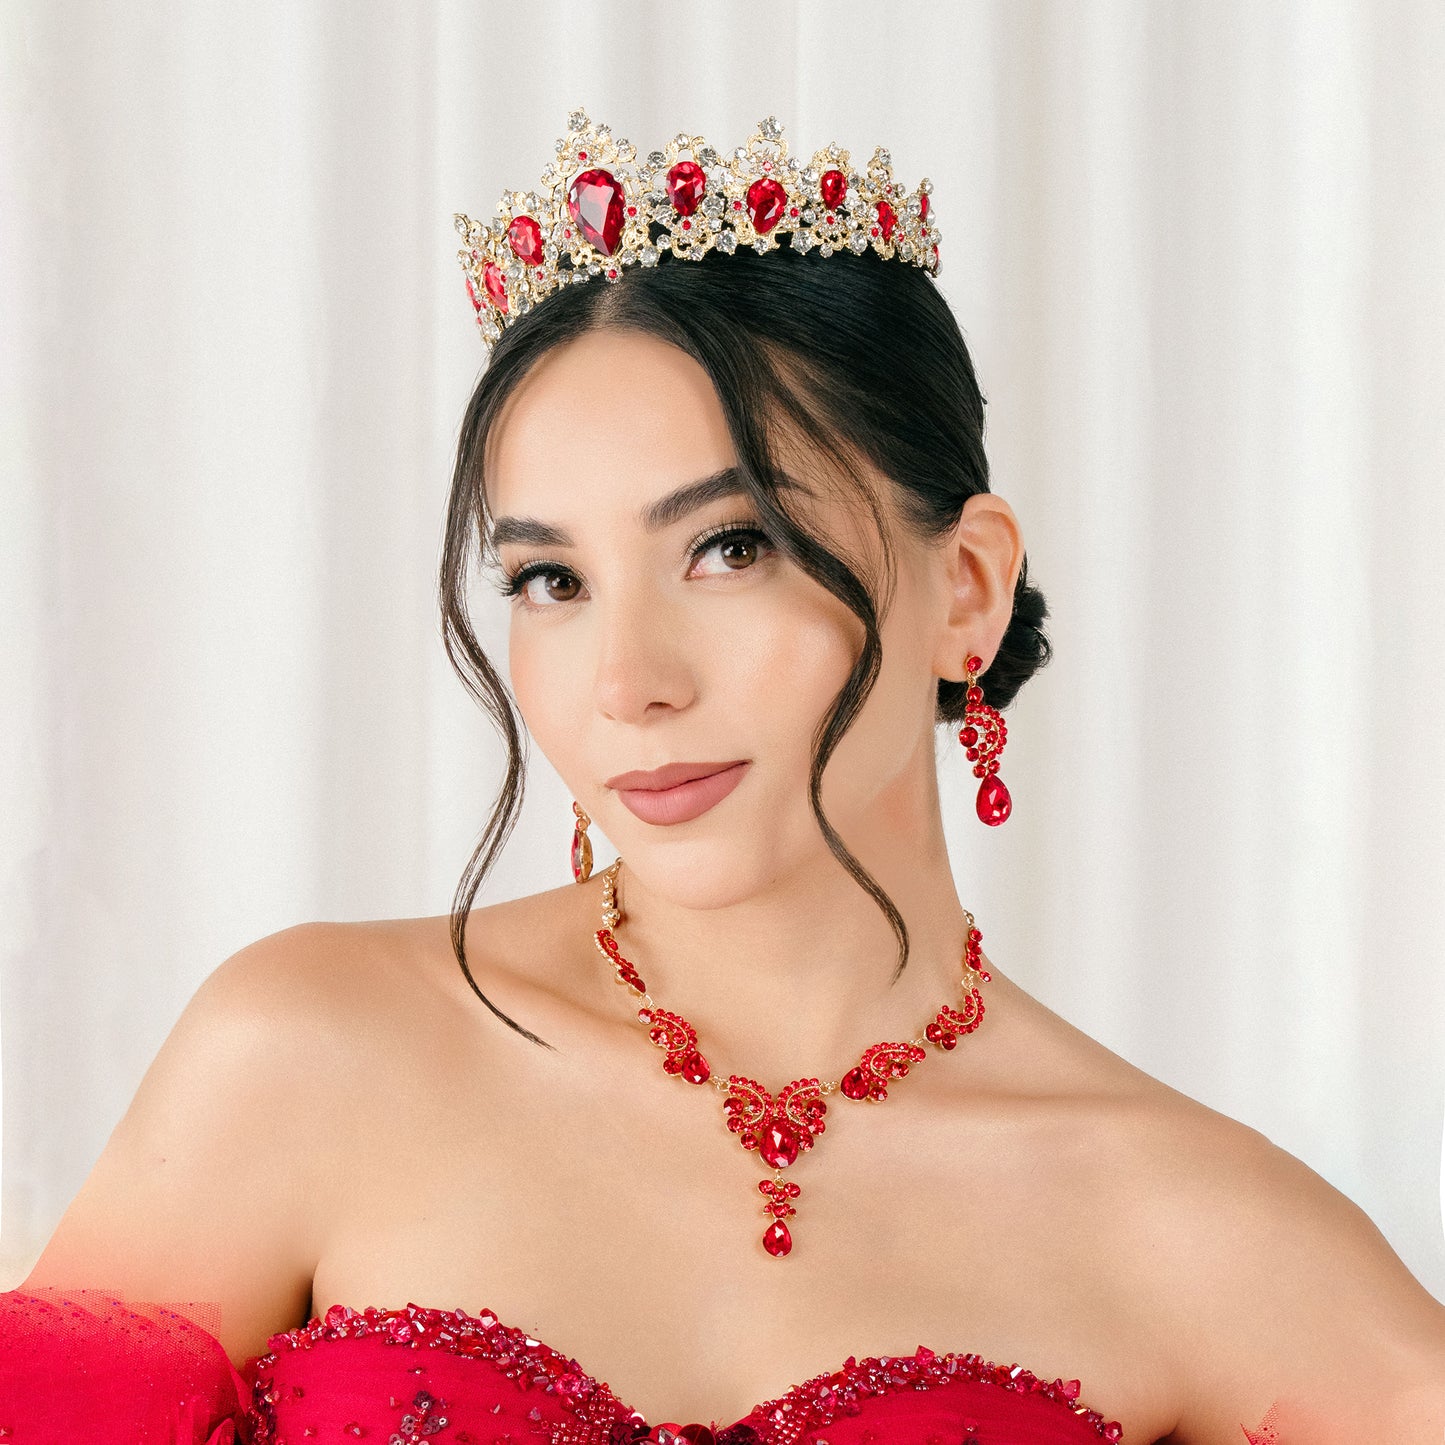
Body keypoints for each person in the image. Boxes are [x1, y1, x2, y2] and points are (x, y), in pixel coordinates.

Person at [2, 109, 1442, 1445]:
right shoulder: (311, 1050)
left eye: (730, 547)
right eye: (552, 578)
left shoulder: (1199, 1234)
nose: (627, 680)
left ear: (967, 586)